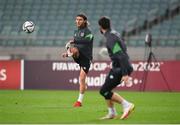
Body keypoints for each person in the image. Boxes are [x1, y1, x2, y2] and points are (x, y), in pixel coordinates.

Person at [98, 16, 135, 120]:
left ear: (100, 27)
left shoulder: (110, 38)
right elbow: (123, 49)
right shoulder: (115, 34)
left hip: (120, 68)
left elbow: (121, 56)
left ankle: (126, 105)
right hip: (118, 66)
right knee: (107, 87)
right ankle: (111, 113)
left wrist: (125, 74)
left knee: (104, 91)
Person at [62, 13, 93, 107]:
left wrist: (74, 41)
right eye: (76, 19)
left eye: (80, 19)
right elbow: (76, 46)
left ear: (84, 21)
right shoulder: (76, 32)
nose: (78, 21)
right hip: (78, 56)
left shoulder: (88, 32)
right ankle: (69, 52)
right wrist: (68, 54)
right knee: (73, 48)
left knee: (82, 79)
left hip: (86, 58)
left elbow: (88, 41)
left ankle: (79, 102)